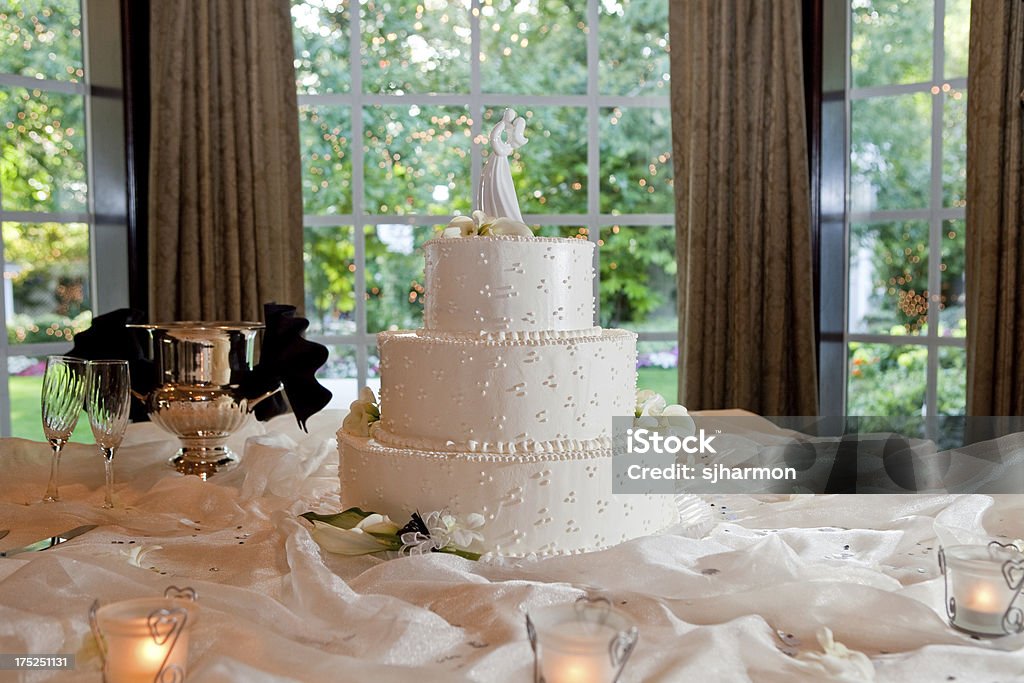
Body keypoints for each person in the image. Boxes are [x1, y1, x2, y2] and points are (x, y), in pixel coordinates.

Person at [477, 108, 528, 222]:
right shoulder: (503, 148)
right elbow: (494, 139)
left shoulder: (505, 149)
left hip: (498, 167)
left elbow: (495, 141)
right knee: (495, 186)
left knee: (501, 187)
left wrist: (503, 125)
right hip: (496, 167)